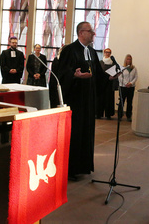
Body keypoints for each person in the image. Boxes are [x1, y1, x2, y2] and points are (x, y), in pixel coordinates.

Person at [57, 21, 106, 179]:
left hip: (88, 101)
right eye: (90, 31)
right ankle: (71, 169)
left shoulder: (91, 51)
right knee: (75, 133)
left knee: (87, 131)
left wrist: (110, 77)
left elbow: (98, 73)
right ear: (81, 33)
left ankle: (84, 166)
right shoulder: (69, 50)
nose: (93, 34)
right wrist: (74, 75)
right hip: (76, 101)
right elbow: (60, 72)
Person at [96, 48, 118, 119]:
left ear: (110, 53)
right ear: (104, 53)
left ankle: (108, 114)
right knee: (100, 98)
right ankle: (99, 114)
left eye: (109, 52)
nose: (107, 53)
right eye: (106, 52)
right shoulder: (100, 62)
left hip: (109, 83)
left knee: (109, 98)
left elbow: (115, 72)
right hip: (101, 83)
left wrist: (113, 76)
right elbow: (98, 72)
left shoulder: (113, 63)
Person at [118, 54, 138, 122]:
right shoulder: (122, 68)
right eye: (127, 59)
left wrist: (131, 83)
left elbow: (136, 77)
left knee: (129, 102)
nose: (129, 60)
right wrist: (126, 83)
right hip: (123, 87)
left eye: (130, 59)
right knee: (122, 101)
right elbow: (120, 77)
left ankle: (129, 116)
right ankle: (119, 115)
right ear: (125, 60)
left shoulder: (134, 68)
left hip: (131, 87)